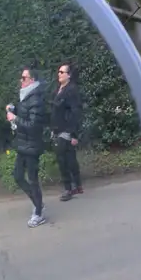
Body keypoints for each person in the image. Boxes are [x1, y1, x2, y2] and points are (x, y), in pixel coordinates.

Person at [5, 66, 49, 227]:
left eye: (24, 78)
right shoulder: (26, 96)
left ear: (32, 80)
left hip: (32, 146)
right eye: (21, 77)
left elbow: (33, 125)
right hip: (23, 145)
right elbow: (24, 114)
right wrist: (13, 109)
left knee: (32, 179)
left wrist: (14, 118)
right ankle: (38, 203)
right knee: (17, 176)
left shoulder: (36, 99)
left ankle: (39, 213)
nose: (21, 80)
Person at [51, 62, 84, 201]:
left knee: (63, 159)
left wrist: (74, 134)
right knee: (70, 159)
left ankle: (68, 189)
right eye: (58, 72)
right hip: (58, 129)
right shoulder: (58, 89)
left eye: (62, 72)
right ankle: (77, 185)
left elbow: (76, 112)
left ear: (69, 75)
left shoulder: (71, 90)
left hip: (66, 131)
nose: (59, 74)